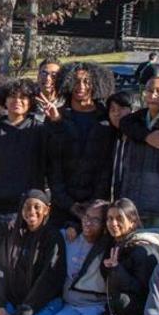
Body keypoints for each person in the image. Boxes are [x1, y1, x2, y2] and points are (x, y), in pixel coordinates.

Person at [0, 190, 66, 315]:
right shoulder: (13, 235)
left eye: (37, 207)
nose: (31, 212)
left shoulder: (53, 238)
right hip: (14, 301)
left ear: (47, 210)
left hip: (41, 303)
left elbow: (47, 282)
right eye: (27, 206)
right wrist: (0, 307)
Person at [0, 78, 52, 225]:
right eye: (12, 97)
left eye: (23, 97)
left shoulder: (40, 129)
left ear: (30, 101)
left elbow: (58, 149)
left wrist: (55, 120)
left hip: (30, 208)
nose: (17, 101)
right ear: (4, 101)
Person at [112, 77, 159, 230]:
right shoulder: (138, 122)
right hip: (132, 205)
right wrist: (147, 136)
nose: (153, 95)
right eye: (149, 91)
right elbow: (124, 122)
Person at [47, 62, 113, 222]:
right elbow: (52, 165)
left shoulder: (107, 119)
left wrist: (93, 204)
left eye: (86, 81)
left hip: (96, 207)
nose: (81, 86)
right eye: (76, 81)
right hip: (62, 205)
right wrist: (69, 204)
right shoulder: (55, 117)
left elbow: (107, 166)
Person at [42, 200, 109, 315]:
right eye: (86, 216)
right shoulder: (71, 236)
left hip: (95, 306)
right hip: (70, 304)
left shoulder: (108, 245)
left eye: (95, 219)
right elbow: (46, 232)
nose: (88, 222)